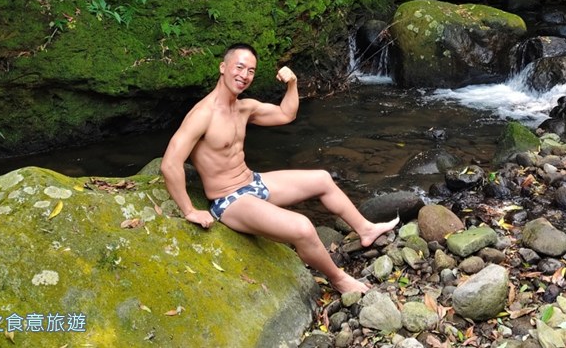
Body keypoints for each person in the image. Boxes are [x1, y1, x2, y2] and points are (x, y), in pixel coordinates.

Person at [161, 43, 397, 294]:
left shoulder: (243, 108)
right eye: (239, 67)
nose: (244, 75)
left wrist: (292, 83)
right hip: (229, 200)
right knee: (303, 228)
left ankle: (365, 229)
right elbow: (170, 163)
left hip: (252, 181)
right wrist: (189, 210)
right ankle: (339, 279)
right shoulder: (202, 114)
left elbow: (286, 114)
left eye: (251, 71)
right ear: (223, 67)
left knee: (323, 179)